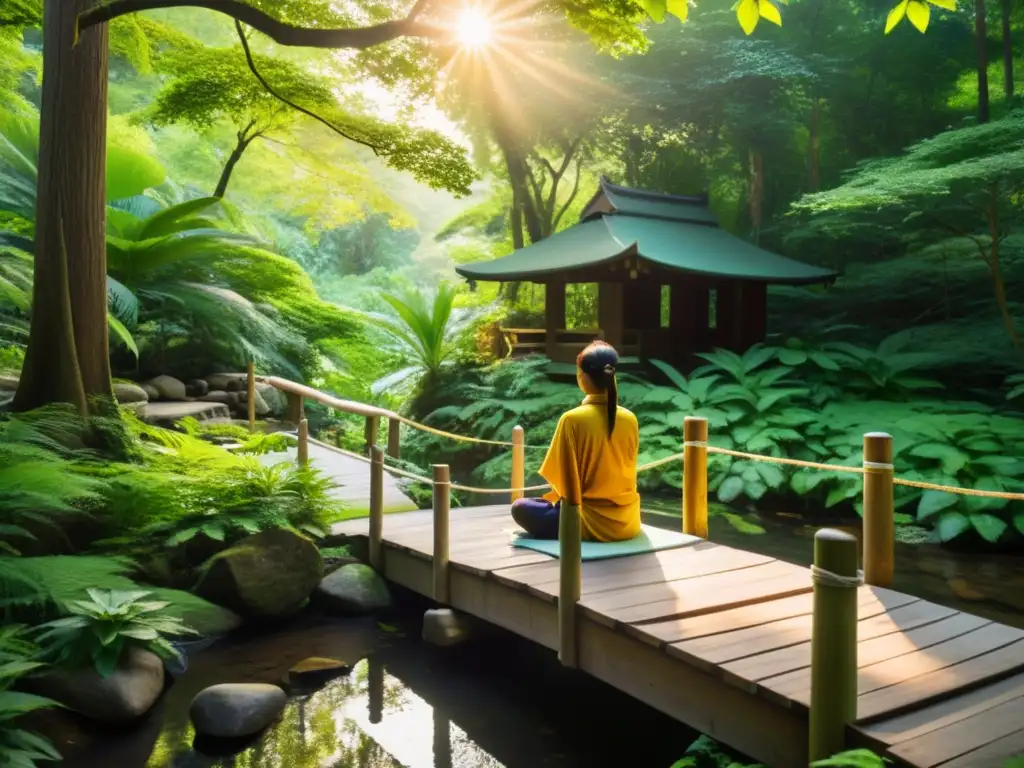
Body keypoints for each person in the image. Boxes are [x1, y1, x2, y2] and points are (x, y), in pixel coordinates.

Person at [510, 340, 641, 542]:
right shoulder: (630, 418)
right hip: (626, 522)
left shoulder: (572, 419)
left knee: (520, 507)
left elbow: (563, 481)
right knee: (539, 503)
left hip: (584, 521)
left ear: (583, 377)